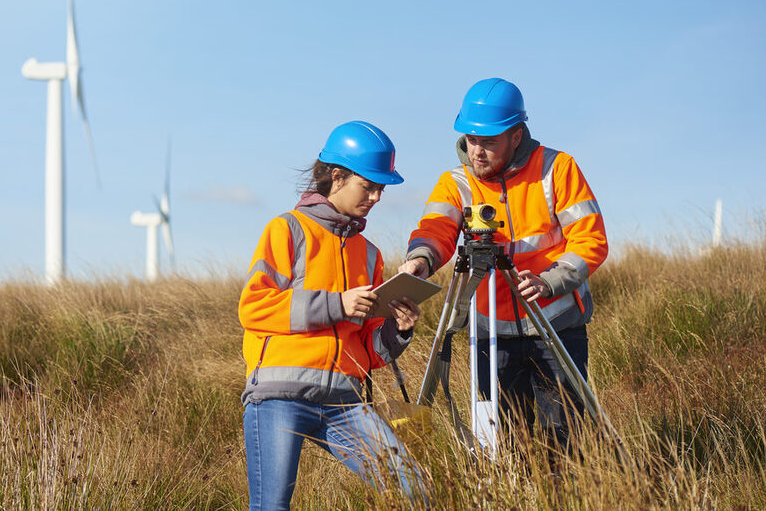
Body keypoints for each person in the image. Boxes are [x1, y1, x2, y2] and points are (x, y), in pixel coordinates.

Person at [399, 78, 608, 452]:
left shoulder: (557, 168)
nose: (477, 151)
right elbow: (436, 230)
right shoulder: (455, 182)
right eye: (471, 139)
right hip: (490, 333)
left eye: (489, 142)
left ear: (515, 135)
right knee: (502, 440)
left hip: (555, 324)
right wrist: (420, 259)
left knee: (565, 438)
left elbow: (591, 240)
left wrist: (550, 281)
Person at [239, 121, 426, 510]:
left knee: (415, 492)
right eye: (369, 186)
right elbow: (253, 306)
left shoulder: (371, 254)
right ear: (336, 176)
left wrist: (398, 330)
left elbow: (371, 351)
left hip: (345, 402)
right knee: (271, 506)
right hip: (278, 396)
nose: (376, 197)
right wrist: (336, 304)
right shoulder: (287, 229)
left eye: (382, 190)